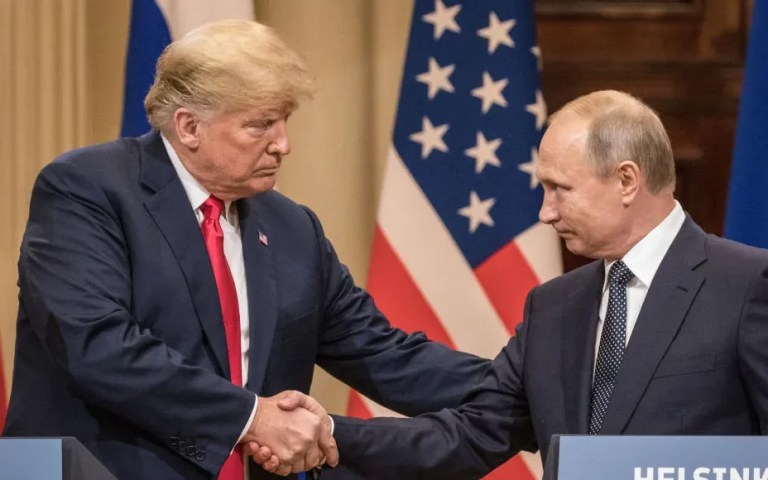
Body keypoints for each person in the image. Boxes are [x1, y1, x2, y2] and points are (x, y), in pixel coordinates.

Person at [2, 20, 489, 480]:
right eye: (261, 125)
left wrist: (517, 386)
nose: (283, 145)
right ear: (189, 127)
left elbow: (382, 352)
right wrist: (253, 417)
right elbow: (97, 346)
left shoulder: (292, 227)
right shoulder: (87, 189)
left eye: (284, 121)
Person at [278, 90, 768, 479]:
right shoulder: (554, 306)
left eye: (560, 189)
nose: (545, 212)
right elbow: (471, 434)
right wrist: (325, 434)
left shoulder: (747, 284)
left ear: (626, 180)